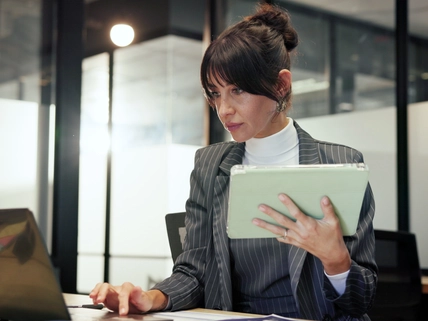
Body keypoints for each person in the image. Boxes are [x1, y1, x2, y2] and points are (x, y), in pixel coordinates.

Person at [90, 3, 377, 320]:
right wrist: (149, 297)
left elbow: (360, 300)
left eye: (237, 90)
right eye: (214, 93)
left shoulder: (338, 163)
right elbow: (193, 272)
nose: (223, 109)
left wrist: (336, 261)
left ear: (281, 85)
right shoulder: (210, 165)